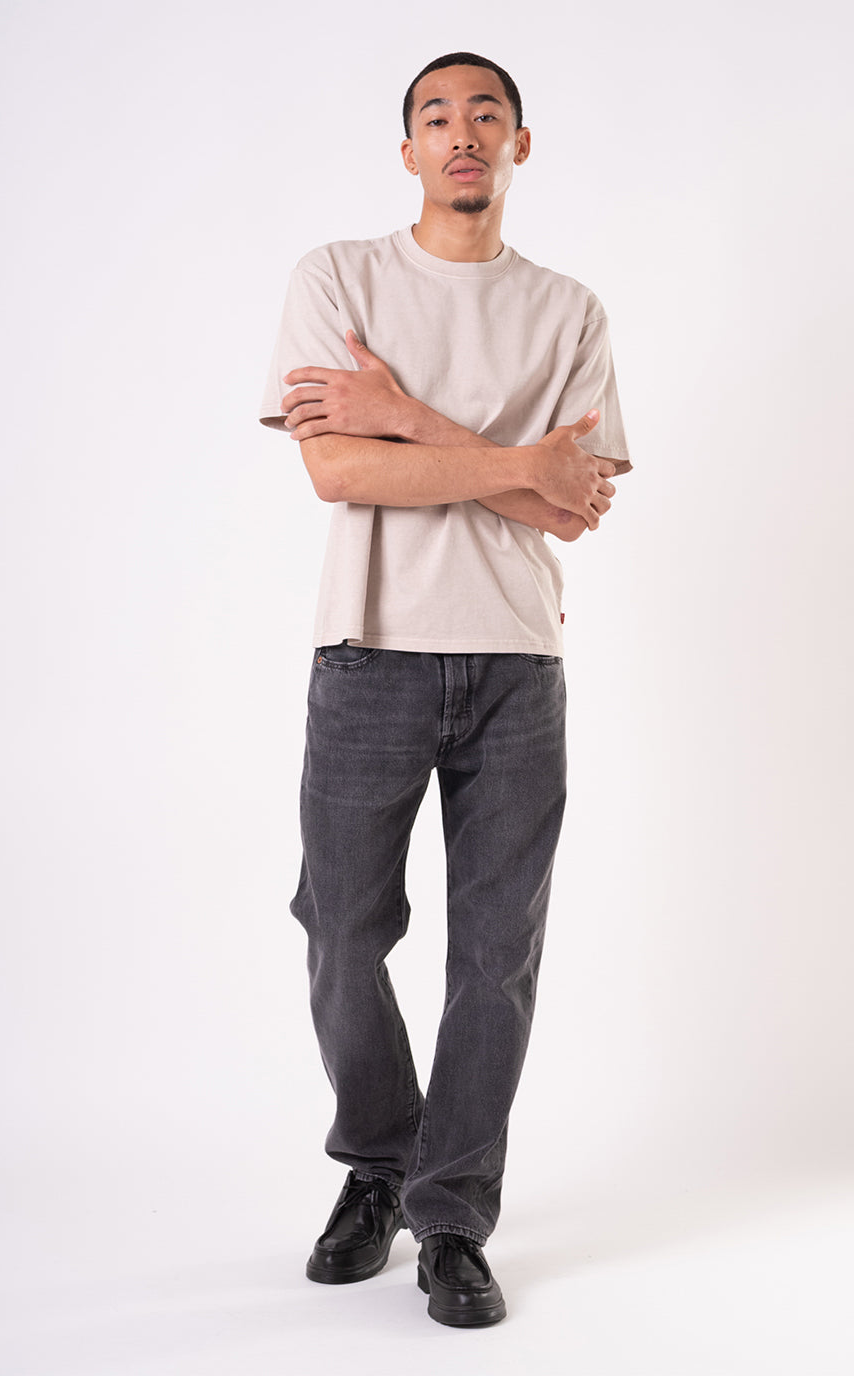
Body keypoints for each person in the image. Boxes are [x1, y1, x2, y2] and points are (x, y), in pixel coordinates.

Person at [259, 52, 631, 1328]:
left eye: (486, 115)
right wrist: (511, 463)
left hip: (518, 661)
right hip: (368, 650)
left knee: (496, 958)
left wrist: (403, 415)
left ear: (521, 143)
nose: (461, 132)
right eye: (436, 116)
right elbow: (336, 473)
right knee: (341, 927)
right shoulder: (339, 279)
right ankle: (378, 1160)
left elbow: (571, 510)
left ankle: (453, 1211)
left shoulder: (568, 311)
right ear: (408, 149)